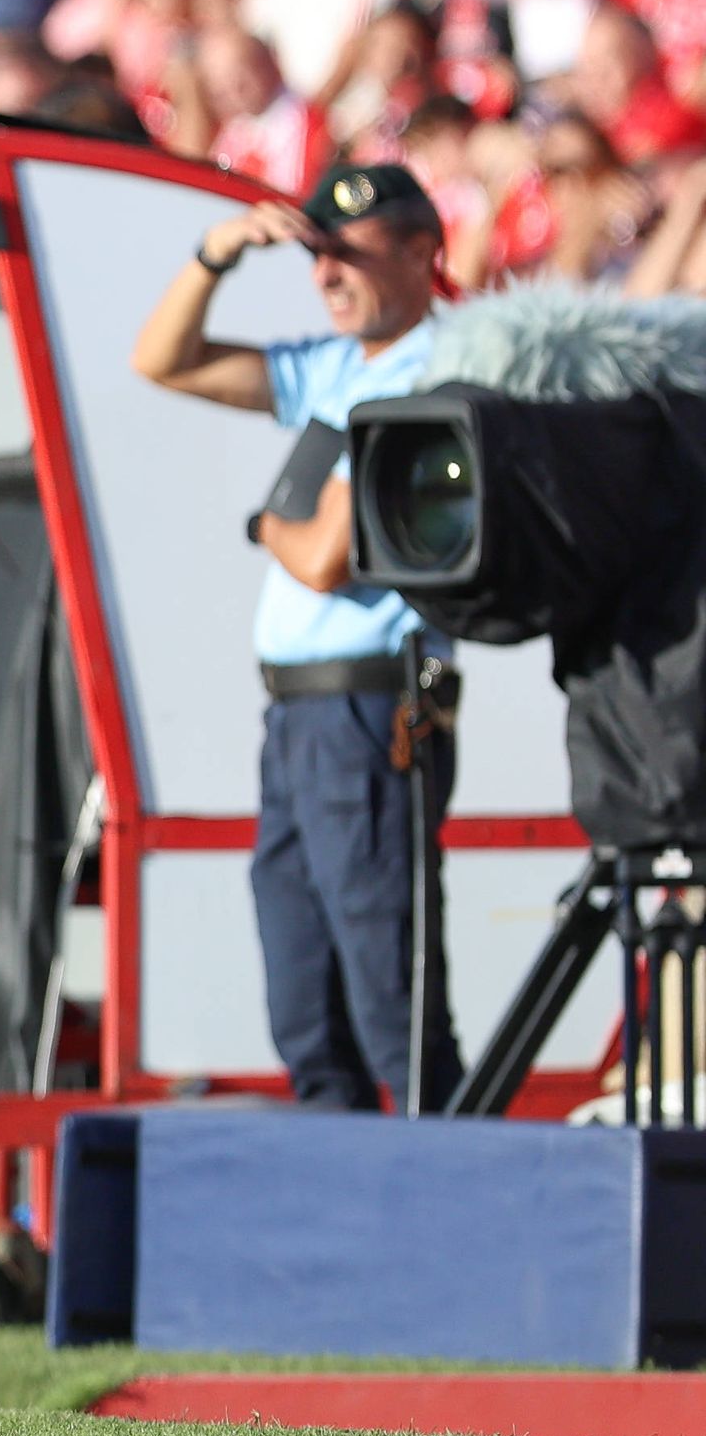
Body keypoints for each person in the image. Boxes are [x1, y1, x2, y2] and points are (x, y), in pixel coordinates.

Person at [132, 160, 463, 1114]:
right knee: (304, 995)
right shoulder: (338, 366)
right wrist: (216, 254)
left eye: (349, 255)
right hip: (301, 716)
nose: (326, 276)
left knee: (389, 993)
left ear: (420, 252)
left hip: (370, 705)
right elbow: (163, 359)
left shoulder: (439, 367)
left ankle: (445, 1191)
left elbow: (323, 556)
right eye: (316, 256)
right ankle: (352, 1202)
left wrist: (264, 525)